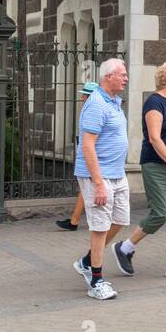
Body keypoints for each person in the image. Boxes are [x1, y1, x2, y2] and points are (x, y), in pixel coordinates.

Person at [112, 61, 166, 281]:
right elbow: (155, 138)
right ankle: (125, 248)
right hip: (156, 166)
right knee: (160, 213)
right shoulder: (154, 103)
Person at [72, 59, 129, 301]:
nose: (126, 78)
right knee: (99, 227)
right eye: (122, 75)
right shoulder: (96, 103)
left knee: (120, 220)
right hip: (100, 175)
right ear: (108, 77)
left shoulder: (114, 101)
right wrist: (97, 183)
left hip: (117, 173)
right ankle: (96, 281)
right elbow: (87, 145)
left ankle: (86, 261)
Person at [57, 81, 99, 232]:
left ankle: (80, 221)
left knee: (90, 188)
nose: (82, 97)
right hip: (91, 155)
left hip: (93, 157)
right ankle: (74, 220)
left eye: (85, 95)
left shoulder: (93, 110)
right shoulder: (91, 109)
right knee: (86, 188)